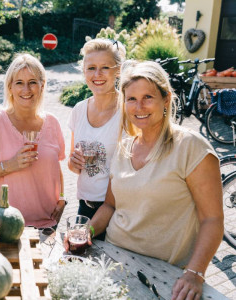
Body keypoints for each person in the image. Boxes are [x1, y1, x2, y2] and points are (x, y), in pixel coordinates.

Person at [89, 60, 223, 300]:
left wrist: (195, 273)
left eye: (148, 97)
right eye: (131, 99)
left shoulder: (192, 148)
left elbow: (212, 220)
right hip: (113, 258)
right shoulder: (123, 147)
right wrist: (86, 230)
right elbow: (110, 205)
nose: (139, 106)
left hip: (162, 274)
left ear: (166, 99)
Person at [0, 54, 66, 228]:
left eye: (32, 82)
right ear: (10, 87)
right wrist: (10, 165)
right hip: (1, 225)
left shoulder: (52, 122)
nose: (26, 89)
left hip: (46, 224)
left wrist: (62, 198)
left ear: (42, 86)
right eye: (19, 82)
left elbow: (56, 167)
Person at [67, 39, 126, 238]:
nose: (97, 75)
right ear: (84, 71)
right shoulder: (78, 110)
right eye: (91, 68)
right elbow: (73, 165)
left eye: (105, 68)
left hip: (118, 212)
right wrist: (73, 163)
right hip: (84, 208)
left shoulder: (127, 112)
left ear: (117, 70)